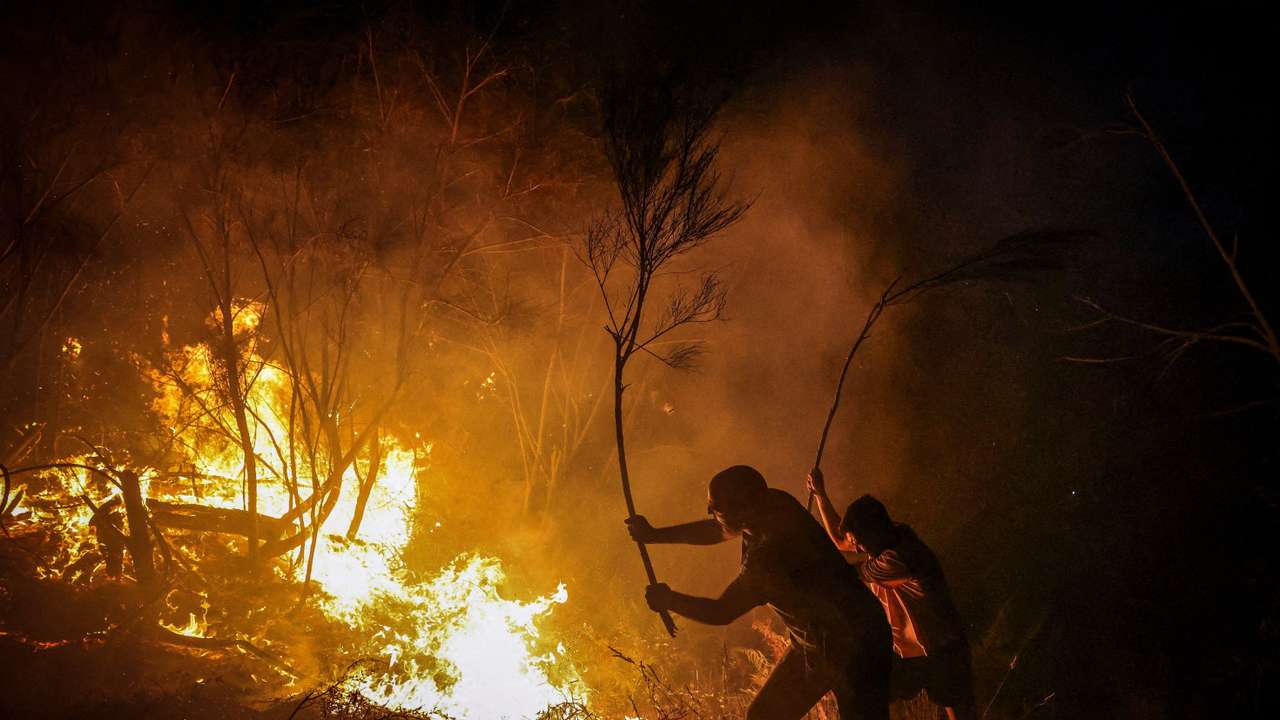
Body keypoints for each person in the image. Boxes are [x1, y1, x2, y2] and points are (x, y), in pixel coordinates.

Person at [628, 465, 891, 720]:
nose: (709, 510)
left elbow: (722, 611)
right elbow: (719, 529)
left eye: (716, 506)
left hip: (858, 642)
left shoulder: (769, 556)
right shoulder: (775, 503)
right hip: (818, 642)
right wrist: (655, 535)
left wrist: (671, 599)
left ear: (743, 509)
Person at [806, 469, 977, 720]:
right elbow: (843, 542)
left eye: (860, 541)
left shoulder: (899, 558)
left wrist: (808, 560)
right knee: (866, 694)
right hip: (908, 654)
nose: (858, 548)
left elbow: (846, 572)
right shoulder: (887, 539)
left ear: (873, 532)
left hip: (943, 650)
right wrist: (820, 495)